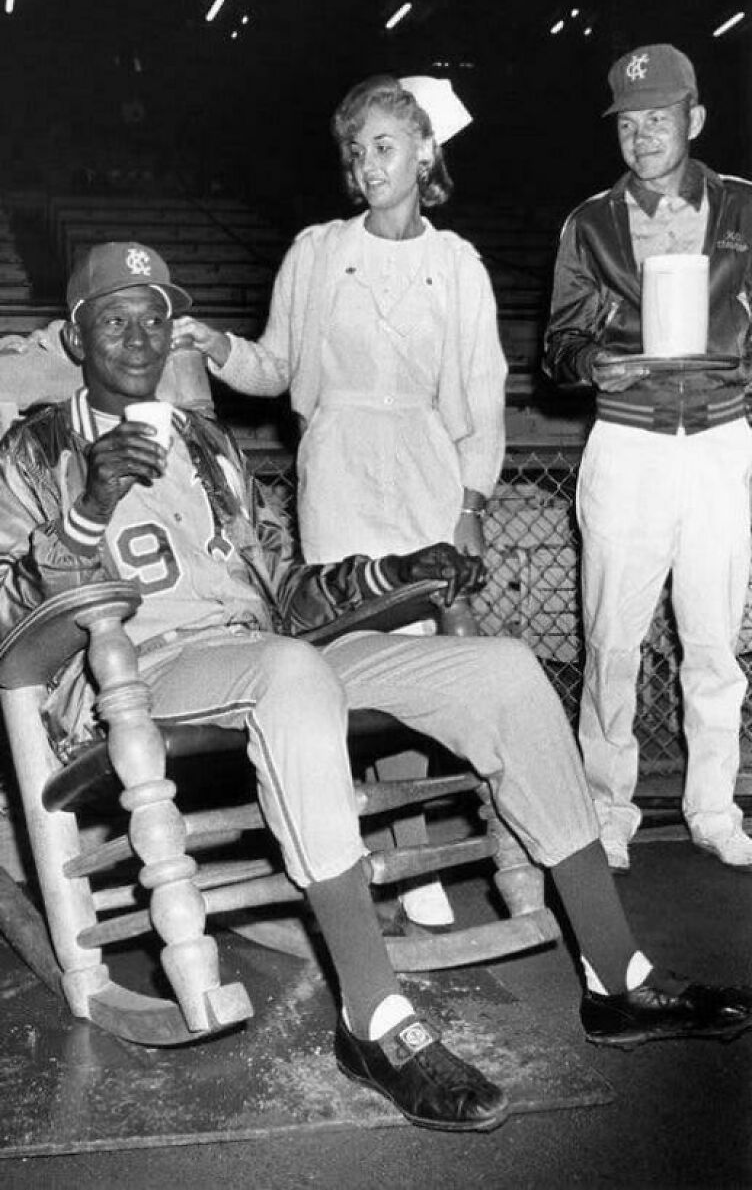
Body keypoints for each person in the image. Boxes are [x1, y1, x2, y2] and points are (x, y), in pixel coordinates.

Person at [0, 242, 752, 1134]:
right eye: (114, 319)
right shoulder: (37, 448)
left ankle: (619, 976)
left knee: (503, 670)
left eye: (154, 317)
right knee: (292, 675)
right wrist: (84, 510)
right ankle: (374, 1018)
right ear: (76, 337)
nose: (140, 337)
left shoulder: (206, 443)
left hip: (257, 650)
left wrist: (391, 572)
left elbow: (286, 597)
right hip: (133, 675)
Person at [172, 73, 506, 928]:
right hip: (340, 474)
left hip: (428, 474)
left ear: (427, 150)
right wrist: (215, 346)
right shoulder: (317, 250)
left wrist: (468, 504)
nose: (367, 165)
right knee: (356, 663)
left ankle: (461, 835)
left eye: (384, 146)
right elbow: (276, 369)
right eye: (356, 152)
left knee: (437, 666)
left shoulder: (457, 263)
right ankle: (391, 851)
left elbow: (483, 397)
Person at [543, 43, 752, 875]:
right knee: (612, 640)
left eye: (658, 118)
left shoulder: (743, 206)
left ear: (693, 120)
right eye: (629, 123)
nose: (643, 135)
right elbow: (558, 348)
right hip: (626, 442)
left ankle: (713, 806)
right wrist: (597, 364)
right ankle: (606, 806)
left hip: (718, 441)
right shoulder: (588, 222)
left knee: (713, 640)